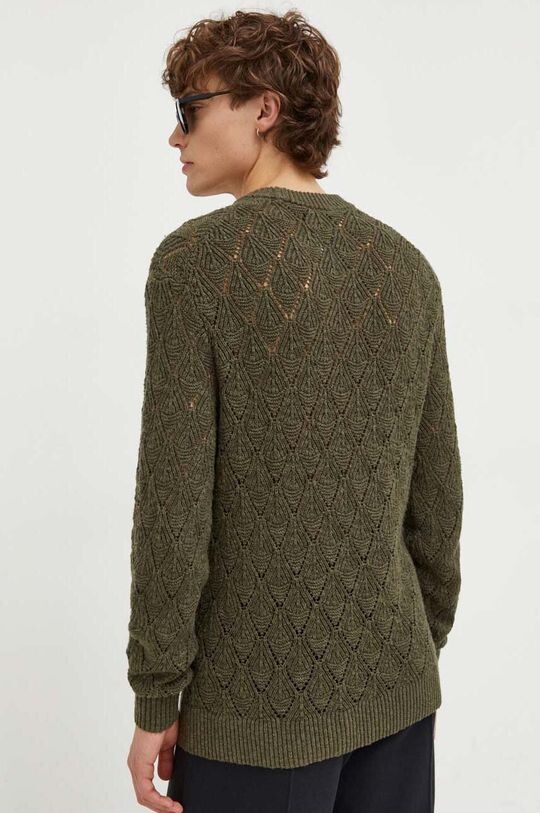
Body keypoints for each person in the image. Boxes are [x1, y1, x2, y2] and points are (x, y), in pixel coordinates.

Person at [125, 9, 463, 813]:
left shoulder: (194, 266)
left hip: (254, 716)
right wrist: (406, 647)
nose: (175, 136)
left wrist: (155, 696)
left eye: (190, 110)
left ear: (264, 109)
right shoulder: (407, 268)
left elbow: (174, 506)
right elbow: (439, 503)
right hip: (399, 693)